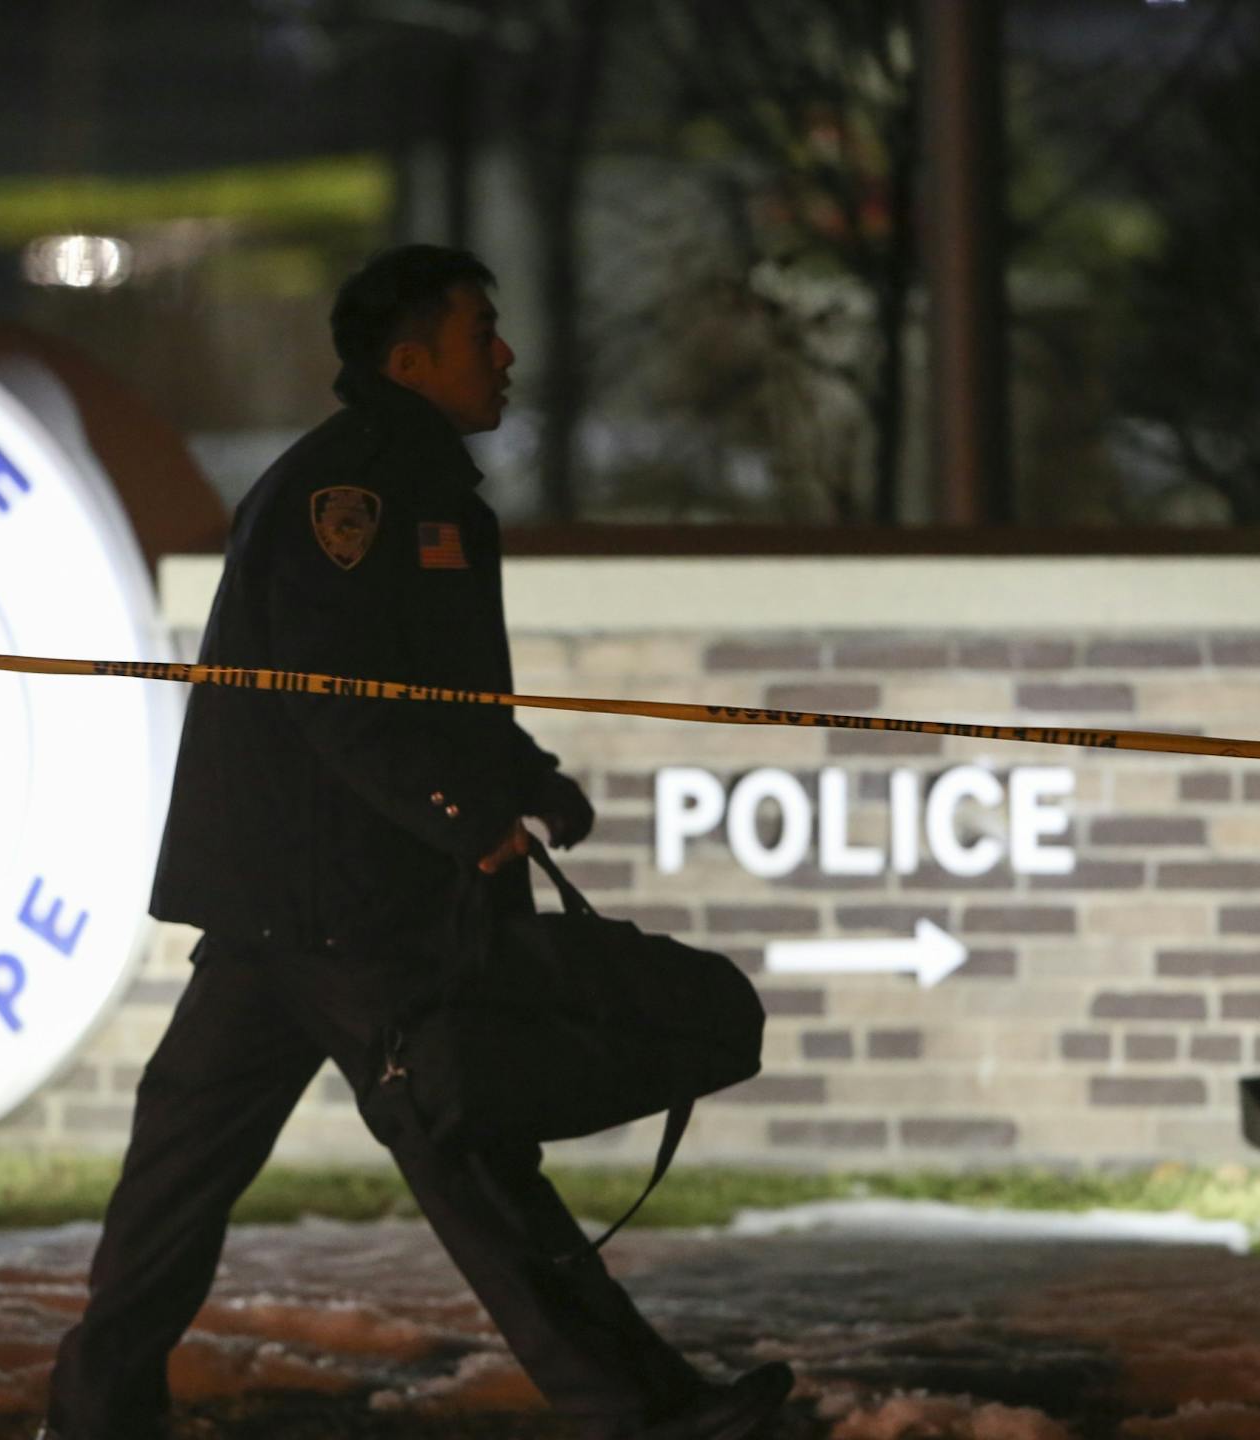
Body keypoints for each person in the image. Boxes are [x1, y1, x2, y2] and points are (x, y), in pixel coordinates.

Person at [43, 245, 792, 1440]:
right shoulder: (361, 490)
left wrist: (523, 780)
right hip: (350, 908)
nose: (503, 355)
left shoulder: (407, 480)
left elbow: (424, 693)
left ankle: (93, 1419)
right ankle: (645, 1417)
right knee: (476, 1167)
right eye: (478, 332)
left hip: (293, 908)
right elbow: (337, 697)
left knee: (180, 1179)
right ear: (409, 360)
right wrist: (465, 818)